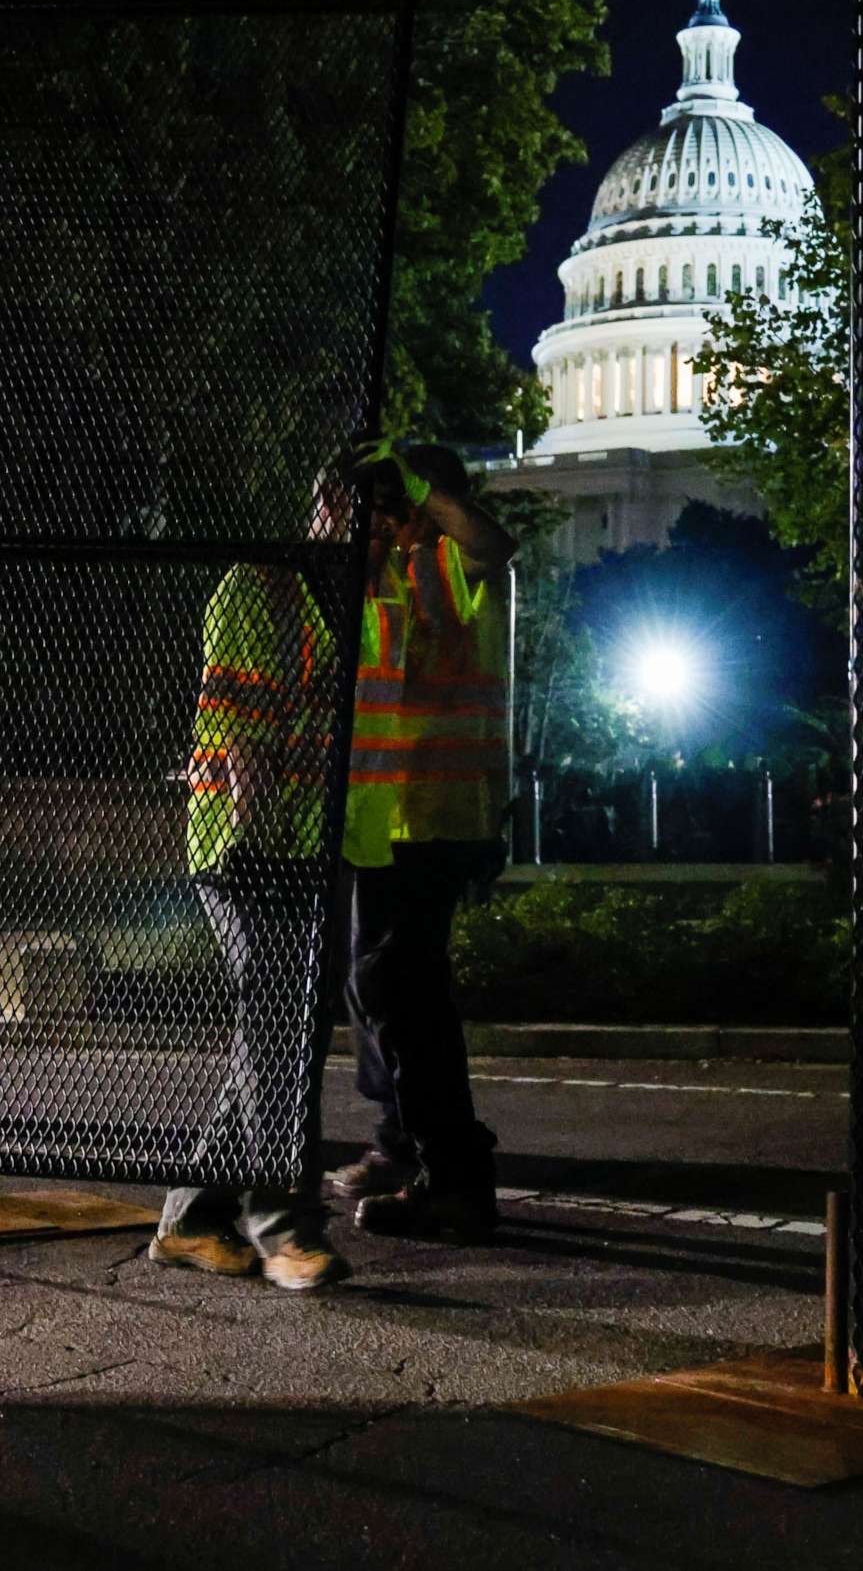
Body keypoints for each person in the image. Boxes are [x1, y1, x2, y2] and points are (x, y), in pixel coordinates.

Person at [147, 468, 356, 1292]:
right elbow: (238, 724)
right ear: (328, 507)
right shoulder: (260, 586)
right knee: (277, 1033)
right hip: (247, 841)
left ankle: (192, 1217)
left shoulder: (342, 596)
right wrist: (245, 833)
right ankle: (280, 1226)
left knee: (279, 1031)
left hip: (297, 839)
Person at [332, 439, 517, 1242]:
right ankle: (413, 1146)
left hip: (439, 817)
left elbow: (491, 541)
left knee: (402, 992)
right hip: (390, 820)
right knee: (382, 989)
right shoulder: (388, 576)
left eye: (386, 501)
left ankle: (455, 1172)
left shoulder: (454, 565)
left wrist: (418, 488)